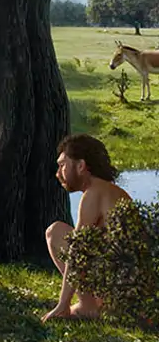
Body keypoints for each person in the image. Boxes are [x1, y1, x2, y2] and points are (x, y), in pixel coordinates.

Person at [42, 133, 131, 323]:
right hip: (129, 289)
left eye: (62, 165)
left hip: (122, 292)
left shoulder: (94, 193)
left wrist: (62, 304)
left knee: (55, 232)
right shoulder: (109, 190)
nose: (58, 174)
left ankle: (89, 307)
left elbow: (77, 251)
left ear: (81, 166)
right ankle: (95, 305)